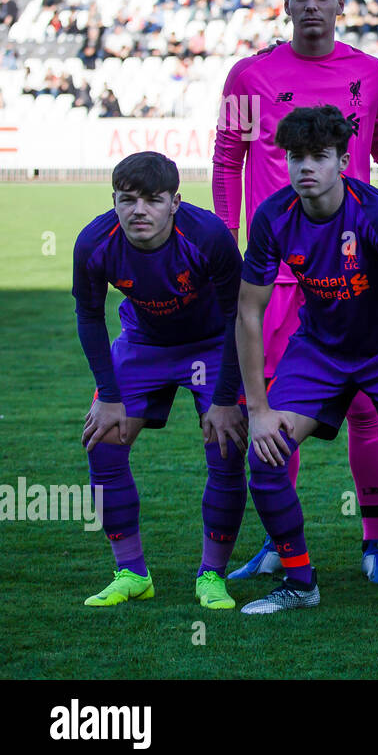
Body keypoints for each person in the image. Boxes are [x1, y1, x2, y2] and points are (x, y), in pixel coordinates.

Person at [213, 0, 378, 584]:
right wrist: (228, 236)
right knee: (278, 407)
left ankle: (375, 542)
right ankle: (284, 545)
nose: (312, 7)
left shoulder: (368, 71)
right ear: (286, 2)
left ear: (340, 2)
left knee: (367, 410)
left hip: (359, 268)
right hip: (281, 271)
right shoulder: (247, 76)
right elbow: (228, 160)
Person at [236, 105, 378, 618]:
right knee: (266, 455)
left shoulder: (375, 212)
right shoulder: (272, 216)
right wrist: (258, 409)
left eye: (318, 156)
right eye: (295, 156)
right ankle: (300, 580)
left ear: (343, 161)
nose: (305, 167)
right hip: (319, 350)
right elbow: (248, 313)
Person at [74, 152, 248, 610]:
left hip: (212, 344)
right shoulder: (94, 242)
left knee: (227, 444)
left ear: (175, 202)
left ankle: (212, 575)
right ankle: (131, 573)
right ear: (113, 200)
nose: (139, 210)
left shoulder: (209, 236)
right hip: (143, 343)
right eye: (127, 200)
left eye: (153, 200)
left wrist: (226, 396)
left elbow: (238, 317)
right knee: (103, 440)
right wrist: (109, 396)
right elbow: (89, 317)